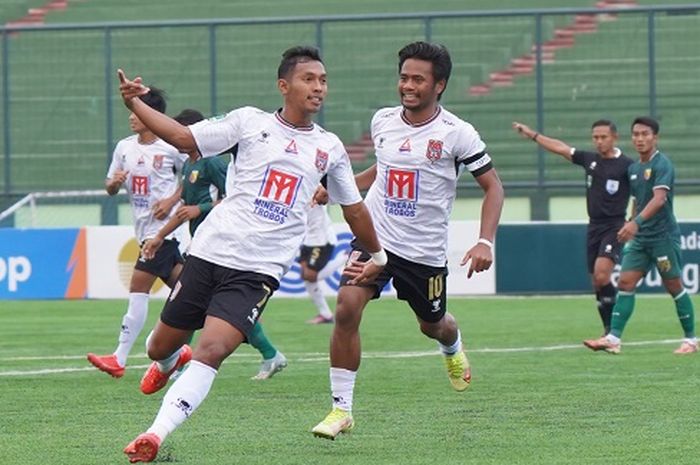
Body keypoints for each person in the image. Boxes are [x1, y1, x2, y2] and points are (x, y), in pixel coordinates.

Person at [118, 45, 385, 463]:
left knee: (212, 350)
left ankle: (154, 433)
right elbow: (184, 138)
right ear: (284, 86)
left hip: (259, 270)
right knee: (158, 347)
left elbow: (353, 208)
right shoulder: (248, 122)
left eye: (324, 80)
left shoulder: (330, 148)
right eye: (309, 79)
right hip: (209, 253)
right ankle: (169, 359)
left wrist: (379, 256)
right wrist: (133, 101)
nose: (318, 87)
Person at [311, 41, 504, 440]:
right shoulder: (383, 120)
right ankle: (340, 409)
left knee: (433, 325)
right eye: (404, 77)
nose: (408, 85)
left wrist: (485, 241)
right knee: (347, 305)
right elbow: (382, 171)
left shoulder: (458, 134)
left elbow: (493, 187)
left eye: (418, 79)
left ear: (440, 85)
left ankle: (452, 348)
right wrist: (339, 189)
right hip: (375, 237)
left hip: (423, 253)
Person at [142, 108, 288, 382]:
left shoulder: (212, 163)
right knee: (205, 304)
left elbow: (237, 198)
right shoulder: (189, 165)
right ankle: (268, 354)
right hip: (203, 245)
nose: (177, 141)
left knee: (213, 305)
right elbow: (185, 207)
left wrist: (202, 208)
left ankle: (266, 354)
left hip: (228, 246)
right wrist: (160, 235)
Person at [87, 87, 186, 379]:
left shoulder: (170, 148)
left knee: (138, 287)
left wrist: (171, 200)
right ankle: (180, 355)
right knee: (190, 292)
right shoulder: (124, 148)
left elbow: (194, 174)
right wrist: (114, 183)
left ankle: (119, 357)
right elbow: (109, 186)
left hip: (165, 233)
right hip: (145, 231)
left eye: (137, 111)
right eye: (130, 111)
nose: (132, 117)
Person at [583, 117, 697, 355]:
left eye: (645, 134)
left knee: (674, 286)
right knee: (625, 282)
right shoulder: (634, 169)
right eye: (636, 134)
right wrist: (630, 223)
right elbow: (638, 201)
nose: (640, 138)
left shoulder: (662, 164)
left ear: (655, 137)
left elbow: (659, 199)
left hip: (662, 236)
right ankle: (613, 338)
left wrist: (636, 222)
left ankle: (691, 340)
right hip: (641, 239)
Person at [511, 120, 633, 337]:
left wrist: (633, 221)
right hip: (594, 226)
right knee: (596, 281)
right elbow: (561, 148)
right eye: (595, 137)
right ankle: (609, 330)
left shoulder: (626, 165)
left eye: (603, 137)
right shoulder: (590, 160)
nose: (599, 141)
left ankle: (614, 330)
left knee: (602, 274)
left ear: (614, 137)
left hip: (614, 226)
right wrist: (533, 135)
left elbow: (641, 194)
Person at [301, 204, 349, 324]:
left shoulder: (315, 189)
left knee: (310, 275)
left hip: (321, 239)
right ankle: (325, 314)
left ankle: (345, 257)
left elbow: (325, 196)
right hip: (306, 238)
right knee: (305, 276)